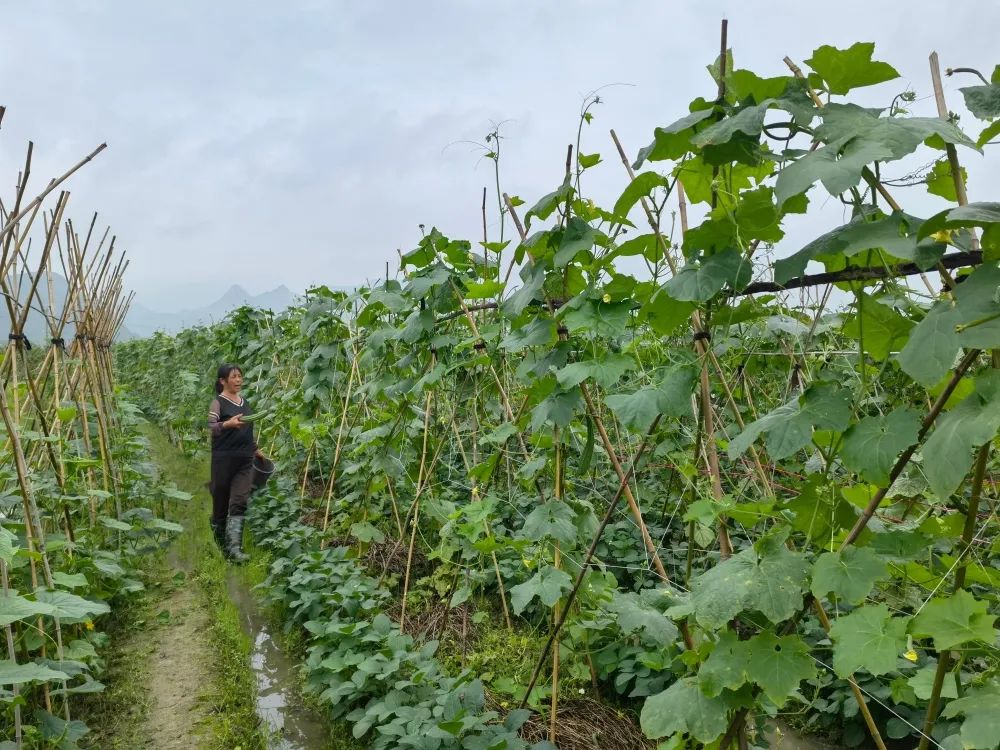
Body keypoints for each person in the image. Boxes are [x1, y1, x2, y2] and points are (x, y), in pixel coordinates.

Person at [207, 363, 264, 563]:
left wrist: (256, 449)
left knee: (239, 501)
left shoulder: (245, 402)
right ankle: (220, 536)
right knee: (220, 504)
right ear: (223, 381)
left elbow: (248, 431)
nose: (238, 380)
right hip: (223, 459)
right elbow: (211, 426)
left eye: (240, 376)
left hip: (244, 460)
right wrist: (227, 424)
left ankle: (235, 550)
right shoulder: (218, 403)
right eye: (234, 377)